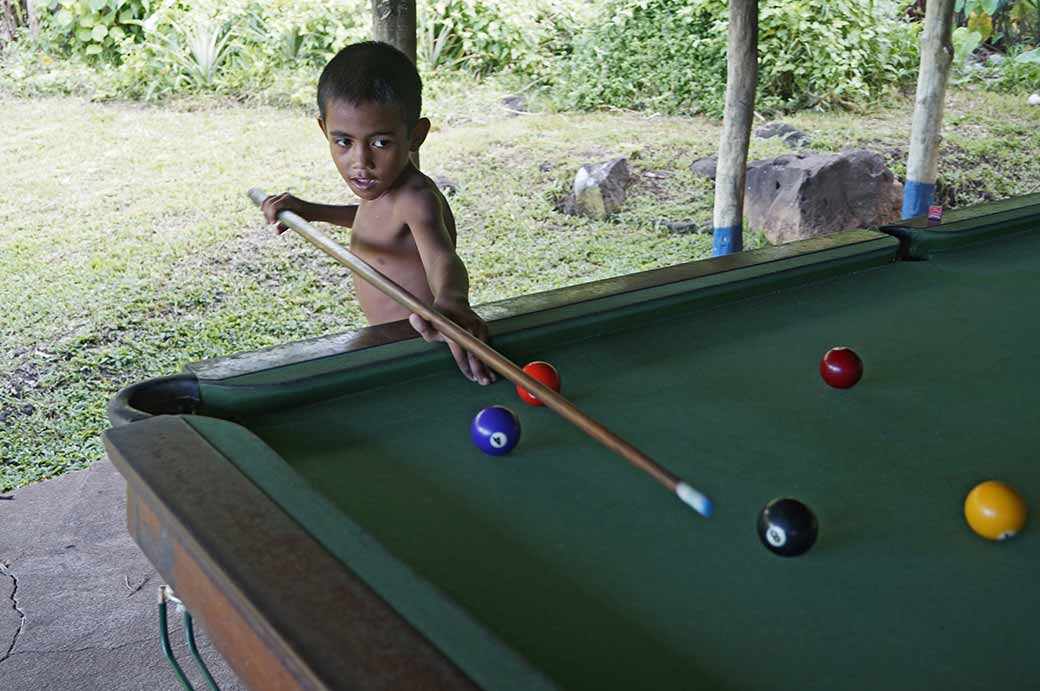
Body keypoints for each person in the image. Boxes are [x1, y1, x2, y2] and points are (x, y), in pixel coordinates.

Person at [261, 41, 494, 386]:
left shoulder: (416, 198)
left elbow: (442, 259)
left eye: (380, 143)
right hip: (388, 347)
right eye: (344, 142)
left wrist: (451, 300)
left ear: (416, 135)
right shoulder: (384, 190)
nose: (361, 162)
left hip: (424, 350)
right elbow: (375, 222)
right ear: (324, 129)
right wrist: (310, 210)